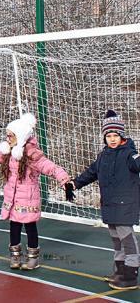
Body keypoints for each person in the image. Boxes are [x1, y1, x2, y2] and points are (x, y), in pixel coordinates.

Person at [0, 113, 70, 270]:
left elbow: (50, 167)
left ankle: (33, 258)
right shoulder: (8, 153)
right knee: (14, 227)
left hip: (28, 199)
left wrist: (65, 180)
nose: (7, 139)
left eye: (11, 136)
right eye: (7, 136)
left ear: (19, 136)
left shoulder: (31, 155)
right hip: (13, 199)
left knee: (30, 227)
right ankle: (15, 256)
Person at [67, 110, 140, 290]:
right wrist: (75, 184)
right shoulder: (103, 155)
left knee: (127, 239)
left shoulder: (129, 154)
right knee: (116, 239)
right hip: (109, 204)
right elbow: (91, 173)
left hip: (126, 204)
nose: (112, 139)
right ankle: (120, 270)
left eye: (116, 135)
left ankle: (131, 274)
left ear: (122, 136)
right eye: (109, 136)